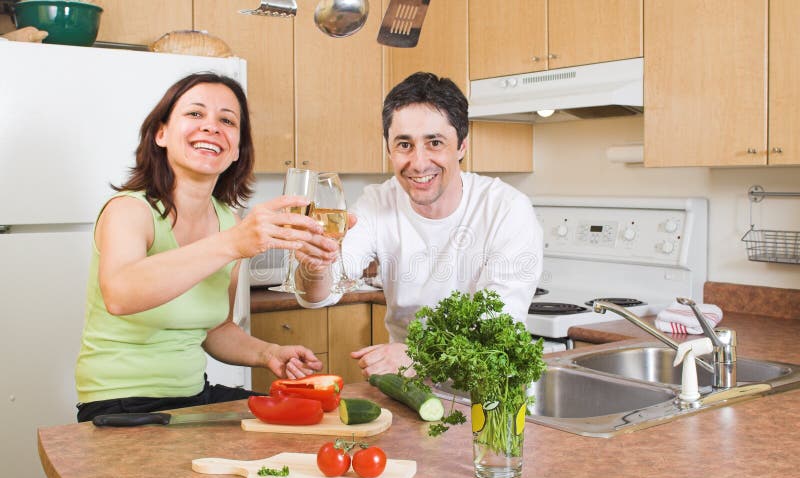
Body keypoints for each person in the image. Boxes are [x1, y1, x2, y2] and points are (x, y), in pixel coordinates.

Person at [74, 73, 339, 422]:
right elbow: (120, 294)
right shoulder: (130, 210)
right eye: (195, 114)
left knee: (309, 419)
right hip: (120, 404)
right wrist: (232, 244)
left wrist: (270, 353)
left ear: (236, 151)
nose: (212, 127)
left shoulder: (228, 221)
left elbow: (216, 330)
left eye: (227, 120)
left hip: (192, 395)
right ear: (161, 133)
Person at [295, 72, 543, 378]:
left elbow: (498, 330)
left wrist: (418, 356)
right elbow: (320, 294)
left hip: (486, 388)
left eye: (435, 142)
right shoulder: (377, 202)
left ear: (462, 145)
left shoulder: (505, 209)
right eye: (404, 144)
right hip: (405, 388)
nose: (419, 162)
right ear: (388, 149)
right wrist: (315, 265)